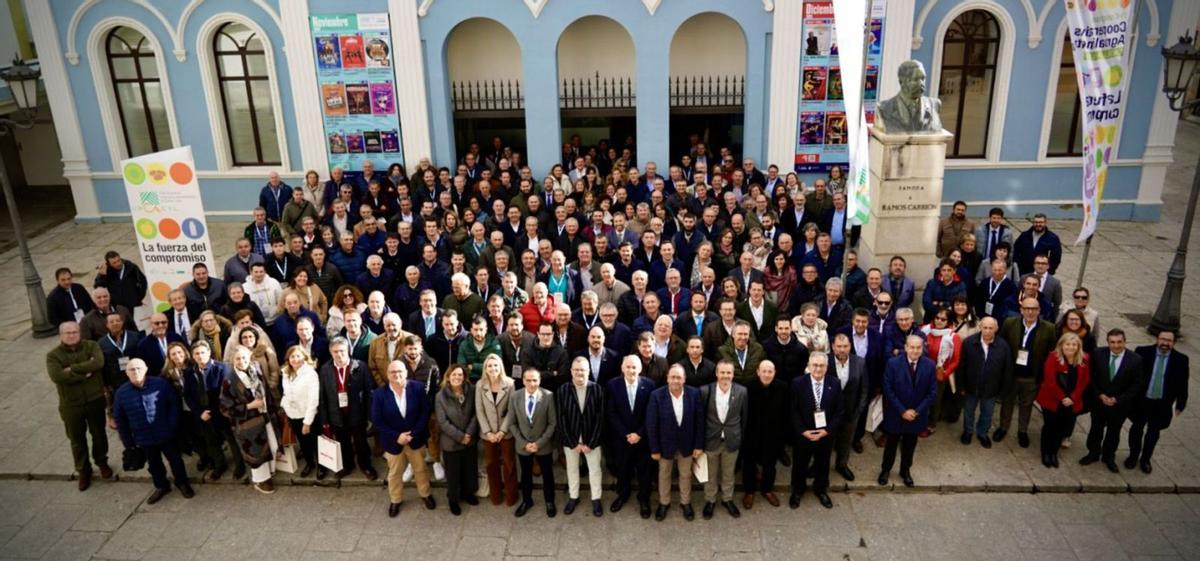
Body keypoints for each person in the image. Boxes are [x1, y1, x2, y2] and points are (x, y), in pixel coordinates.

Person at [112, 358, 194, 504]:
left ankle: (182, 483)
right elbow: (120, 419)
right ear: (126, 373)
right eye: (132, 370)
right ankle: (161, 486)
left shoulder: (160, 384)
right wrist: (128, 443)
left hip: (165, 433)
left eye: (138, 368)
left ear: (145, 369)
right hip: (143, 438)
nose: (136, 372)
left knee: (175, 460)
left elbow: (174, 404)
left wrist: (171, 425)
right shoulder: (121, 393)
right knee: (154, 464)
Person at [46, 322, 111, 491]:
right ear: (61, 335)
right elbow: (58, 376)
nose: (72, 335)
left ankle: (102, 461)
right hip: (71, 404)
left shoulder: (91, 345)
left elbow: (98, 363)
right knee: (76, 439)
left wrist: (72, 369)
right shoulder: (53, 356)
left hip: (94, 399)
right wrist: (84, 374)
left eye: (75, 332)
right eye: (68, 333)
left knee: (98, 434)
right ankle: (83, 470)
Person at [372, 360, 437, 517]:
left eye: (400, 371)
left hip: (415, 438)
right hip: (393, 442)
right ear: (387, 375)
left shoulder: (418, 388)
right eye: (393, 372)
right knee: (394, 473)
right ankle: (395, 499)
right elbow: (377, 420)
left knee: (420, 469)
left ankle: (425, 494)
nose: (397, 375)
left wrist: (413, 434)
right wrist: (397, 436)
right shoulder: (379, 394)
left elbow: (425, 412)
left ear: (406, 373)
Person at [995, 297, 1056, 448]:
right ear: (1021, 310)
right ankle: (1003, 427)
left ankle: (1022, 431)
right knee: (1007, 402)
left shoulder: (1049, 328)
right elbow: (1001, 345)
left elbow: (1051, 352)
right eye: (1027, 308)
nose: (1030, 312)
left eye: (1033, 309)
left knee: (1026, 405)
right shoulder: (1010, 323)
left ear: (1039, 310)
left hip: (1031, 376)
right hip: (1012, 374)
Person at [1081, 328, 1144, 473]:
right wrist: (1099, 394)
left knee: (1113, 432)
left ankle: (1109, 456)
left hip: (1119, 405)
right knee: (1096, 428)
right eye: (1112, 342)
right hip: (1099, 402)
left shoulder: (1135, 359)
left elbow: (1137, 384)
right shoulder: (1098, 354)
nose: (1116, 346)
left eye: (1119, 342)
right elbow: (1092, 377)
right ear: (1107, 342)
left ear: (1125, 341)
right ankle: (1093, 453)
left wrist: (1118, 399)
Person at [647, 364, 704, 522]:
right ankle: (664, 503)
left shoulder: (694, 394)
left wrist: (698, 445)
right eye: (672, 377)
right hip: (665, 446)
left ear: (684, 379)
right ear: (667, 378)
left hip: (687, 445)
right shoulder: (656, 396)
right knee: (664, 475)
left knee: (686, 475)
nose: (675, 380)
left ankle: (685, 503)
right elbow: (651, 424)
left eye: (679, 377)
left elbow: (700, 421)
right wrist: (654, 449)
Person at [221, 345, 281, 494]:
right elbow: (225, 409)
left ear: (250, 357)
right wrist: (249, 406)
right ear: (232, 360)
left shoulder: (256, 368)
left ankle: (269, 472)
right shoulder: (229, 380)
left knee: (272, 446)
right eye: (238, 358)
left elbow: (265, 389)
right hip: (247, 424)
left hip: (265, 416)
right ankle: (261, 481)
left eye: (244, 357)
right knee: (256, 453)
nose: (242, 361)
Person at [1127, 330, 1189, 473]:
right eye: (1162, 339)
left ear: (1173, 342)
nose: (1165, 343)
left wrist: (1181, 403)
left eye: (1168, 341)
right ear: (1157, 339)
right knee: (1136, 429)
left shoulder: (1181, 360)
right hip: (1142, 401)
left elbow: (1182, 383)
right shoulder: (1142, 352)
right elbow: (1132, 376)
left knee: (1153, 434)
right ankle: (1133, 456)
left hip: (1161, 404)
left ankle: (1145, 459)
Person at [879, 335, 937, 487]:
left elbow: (932, 393)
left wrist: (917, 411)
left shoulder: (930, 365)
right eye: (912, 347)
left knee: (910, 446)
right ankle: (885, 470)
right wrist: (902, 411)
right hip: (896, 414)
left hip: (917, 416)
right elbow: (887, 389)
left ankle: (905, 471)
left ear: (922, 348)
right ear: (905, 348)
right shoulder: (893, 363)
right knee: (891, 445)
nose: (915, 351)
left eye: (918, 347)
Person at [318, 337, 377, 480]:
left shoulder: (360, 367)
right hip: (336, 414)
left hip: (357, 413)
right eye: (335, 351)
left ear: (349, 351)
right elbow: (322, 396)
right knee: (343, 442)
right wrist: (324, 419)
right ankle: (348, 465)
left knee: (361, 443)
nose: (339, 354)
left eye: (342, 351)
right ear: (330, 352)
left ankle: (365, 466)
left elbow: (370, 392)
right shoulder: (325, 369)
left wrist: (370, 415)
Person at [790, 353, 842, 508]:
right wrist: (803, 431)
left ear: (827, 367)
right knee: (800, 463)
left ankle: (821, 490)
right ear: (809, 365)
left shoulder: (835, 383)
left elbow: (839, 411)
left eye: (821, 366)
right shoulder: (797, 383)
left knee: (823, 463)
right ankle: (797, 491)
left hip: (825, 434)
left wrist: (827, 431)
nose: (818, 369)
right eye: (815, 365)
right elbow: (793, 410)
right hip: (804, 434)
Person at [606, 355, 656, 518]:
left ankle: (644, 499)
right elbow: (611, 413)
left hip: (643, 439)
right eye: (628, 367)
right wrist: (626, 434)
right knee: (623, 469)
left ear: (640, 369)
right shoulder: (613, 385)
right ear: (622, 368)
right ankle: (622, 495)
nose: (631, 370)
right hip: (622, 438)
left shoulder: (649, 385)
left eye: (634, 367)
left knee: (644, 472)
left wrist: (639, 434)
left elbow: (651, 414)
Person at [556, 357, 605, 517]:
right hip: (571, 440)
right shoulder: (563, 390)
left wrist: (591, 443)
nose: (579, 373)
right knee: (572, 469)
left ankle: (596, 498)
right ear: (571, 371)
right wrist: (572, 443)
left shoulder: (597, 389)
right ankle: (573, 496)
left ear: (588, 371)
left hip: (592, 440)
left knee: (595, 470)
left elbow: (600, 418)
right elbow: (561, 418)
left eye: (582, 370)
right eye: (576, 370)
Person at [700, 360, 748, 519]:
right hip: (711, 439)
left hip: (731, 440)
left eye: (728, 373)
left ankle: (727, 499)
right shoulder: (705, 391)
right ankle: (710, 500)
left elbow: (744, 417)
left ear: (733, 374)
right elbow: (701, 418)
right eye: (722, 372)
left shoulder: (742, 391)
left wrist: (739, 437)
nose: (725, 376)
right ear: (716, 374)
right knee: (710, 474)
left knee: (728, 474)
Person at [508, 368, 558, 518]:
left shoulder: (548, 396)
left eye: (535, 380)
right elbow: (512, 423)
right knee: (525, 475)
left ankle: (549, 501)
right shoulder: (515, 397)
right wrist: (524, 443)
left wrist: (539, 443)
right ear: (523, 381)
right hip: (523, 446)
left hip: (543, 445)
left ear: (539, 381)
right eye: (528, 380)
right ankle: (527, 501)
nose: (531, 383)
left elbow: (552, 423)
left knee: (548, 474)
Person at [1036, 333, 1090, 468]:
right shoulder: (1053, 357)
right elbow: (1050, 381)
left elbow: (1084, 381)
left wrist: (1073, 398)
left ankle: (1053, 453)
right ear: (1061, 345)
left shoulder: (1084, 359)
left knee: (1061, 428)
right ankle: (1046, 453)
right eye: (1068, 344)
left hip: (1071, 402)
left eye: (1074, 344)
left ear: (1079, 346)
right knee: (1050, 426)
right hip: (1052, 400)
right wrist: (1063, 398)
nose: (1071, 347)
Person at [956, 317, 1011, 448]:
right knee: (969, 411)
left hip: (991, 388)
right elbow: (962, 366)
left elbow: (1007, 369)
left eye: (990, 328)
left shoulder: (1003, 346)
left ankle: (982, 433)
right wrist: (961, 386)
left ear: (996, 329)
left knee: (987, 413)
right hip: (971, 386)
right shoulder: (969, 342)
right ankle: (968, 431)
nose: (987, 331)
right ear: (980, 327)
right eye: (984, 327)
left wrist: (1003, 390)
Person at [436, 364, 480, 515]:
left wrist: (468, 434)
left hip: (470, 439)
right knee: (453, 474)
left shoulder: (472, 391)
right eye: (454, 375)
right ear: (448, 377)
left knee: (469, 469)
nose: (457, 377)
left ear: (464, 377)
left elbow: (476, 413)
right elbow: (442, 422)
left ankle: (469, 494)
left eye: (460, 375)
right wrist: (461, 437)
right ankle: (453, 500)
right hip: (451, 442)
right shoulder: (440, 396)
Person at [476, 354, 518, 506]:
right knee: (491, 464)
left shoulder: (510, 384)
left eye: (495, 365)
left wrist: (502, 431)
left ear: (500, 367)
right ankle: (496, 495)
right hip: (488, 434)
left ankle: (511, 496)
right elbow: (479, 410)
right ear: (485, 369)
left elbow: (512, 410)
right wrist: (488, 432)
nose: (492, 369)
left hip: (506, 433)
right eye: (489, 366)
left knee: (509, 464)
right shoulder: (480, 385)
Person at [829, 334, 868, 482]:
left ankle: (841, 464)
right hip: (829, 413)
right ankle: (819, 465)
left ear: (850, 346)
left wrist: (858, 411)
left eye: (845, 346)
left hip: (851, 412)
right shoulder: (825, 361)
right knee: (826, 441)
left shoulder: (860, 362)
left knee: (846, 441)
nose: (842, 350)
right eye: (839, 346)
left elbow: (864, 390)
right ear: (833, 347)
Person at [280, 346, 320, 478]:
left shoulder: (310, 374)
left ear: (304, 357)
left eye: (298, 356)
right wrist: (285, 407)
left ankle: (321, 466)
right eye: (292, 356)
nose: (295, 359)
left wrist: (307, 422)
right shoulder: (286, 373)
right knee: (303, 442)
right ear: (288, 359)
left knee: (314, 442)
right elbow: (286, 393)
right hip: (293, 415)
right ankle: (310, 463)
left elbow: (314, 399)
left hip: (309, 415)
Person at [921, 307, 963, 436]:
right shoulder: (925, 330)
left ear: (948, 321)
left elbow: (955, 360)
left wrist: (945, 374)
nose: (939, 321)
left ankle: (931, 424)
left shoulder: (953, 337)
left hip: (939, 373)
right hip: (922, 371)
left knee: (935, 400)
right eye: (937, 318)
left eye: (943, 319)